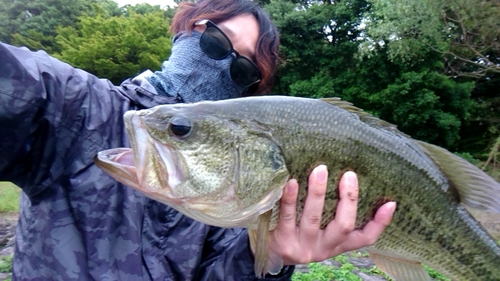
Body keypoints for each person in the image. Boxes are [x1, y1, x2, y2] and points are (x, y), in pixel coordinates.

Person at [0, 0, 395, 280]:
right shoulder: (79, 106)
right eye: (217, 42)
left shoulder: (239, 194)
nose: (224, 65)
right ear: (187, 26)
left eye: (243, 70)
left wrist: (271, 254)